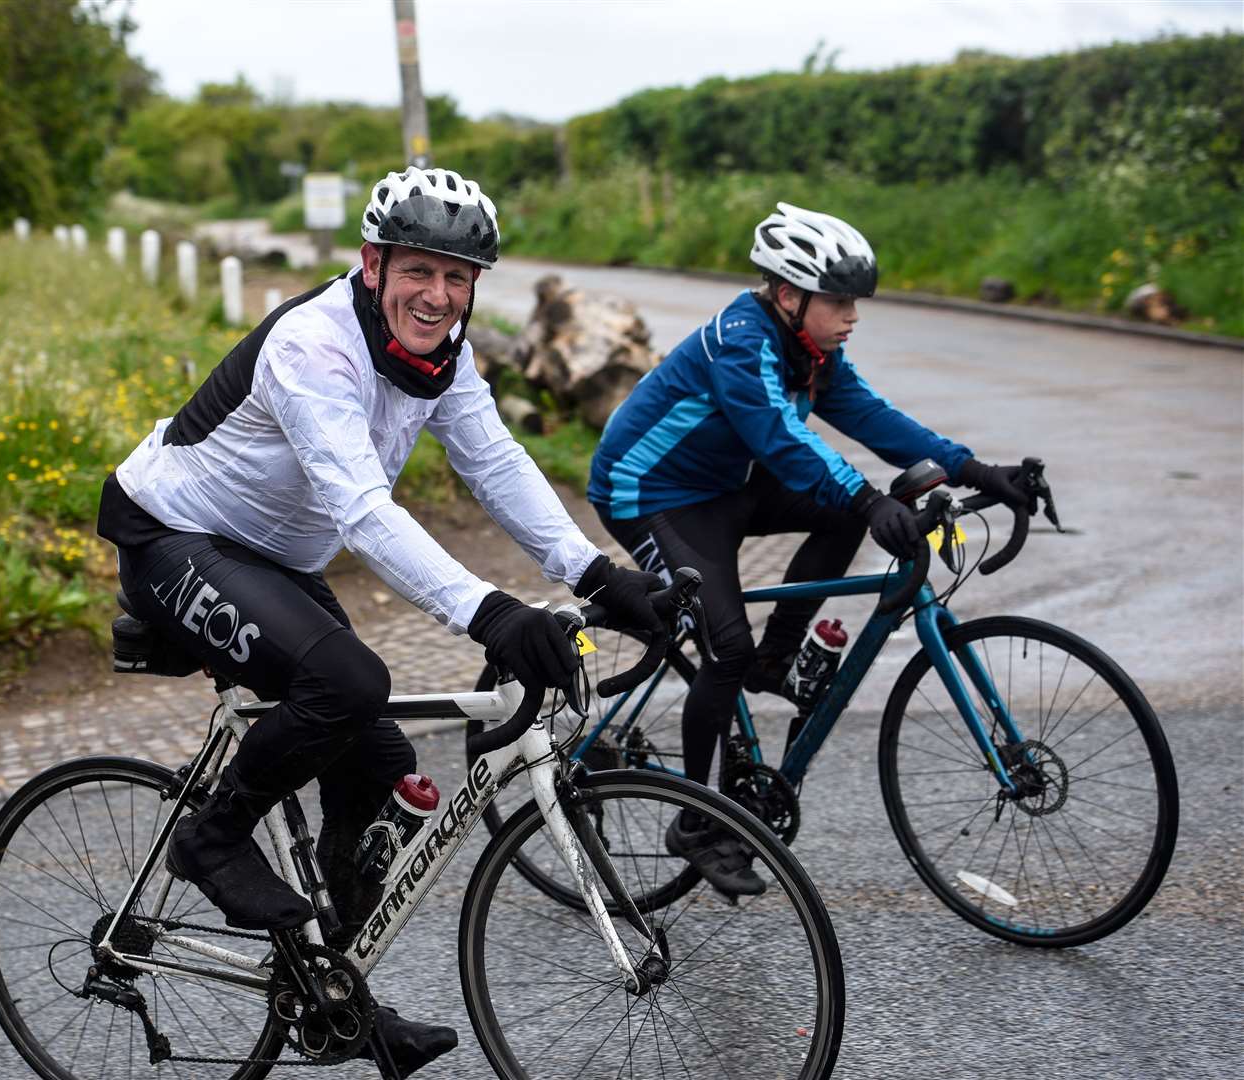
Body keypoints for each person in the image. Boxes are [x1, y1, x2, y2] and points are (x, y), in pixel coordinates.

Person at [96, 166, 662, 1074]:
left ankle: (334, 997)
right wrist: (489, 615)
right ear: (371, 264)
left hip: (271, 558)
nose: (437, 296)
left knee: (383, 780)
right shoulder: (311, 347)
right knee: (352, 682)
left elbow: (496, 464)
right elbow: (362, 511)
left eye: (458, 277)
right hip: (174, 530)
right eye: (418, 272)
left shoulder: (446, 354)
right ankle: (212, 837)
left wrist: (596, 569)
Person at [587, 202, 1033, 896]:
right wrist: (866, 496)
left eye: (855, 300)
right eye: (840, 300)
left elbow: (872, 417)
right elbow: (780, 438)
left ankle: (778, 654)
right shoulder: (742, 342)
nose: (852, 314)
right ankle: (695, 821)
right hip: (650, 493)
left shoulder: (814, 350)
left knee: (834, 518)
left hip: (725, 488)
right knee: (724, 646)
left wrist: (977, 470)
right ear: (789, 295)